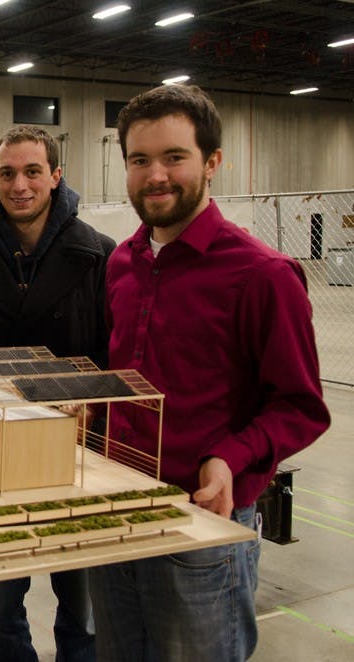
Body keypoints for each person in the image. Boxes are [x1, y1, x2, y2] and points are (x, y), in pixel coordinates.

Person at [90, 84, 331, 661]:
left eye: (175, 157)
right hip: (117, 515)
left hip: (201, 532)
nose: (156, 176)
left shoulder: (262, 275)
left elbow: (301, 406)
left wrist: (229, 457)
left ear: (212, 162)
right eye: (139, 160)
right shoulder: (123, 262)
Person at [0, 125, 110, 662]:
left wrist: (88, 403)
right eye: (7, 173)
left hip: (78, 453)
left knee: (83, 604)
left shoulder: (100, 256)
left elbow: (113, 356)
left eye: (33, 171)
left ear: (56, 177)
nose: (20, 185)